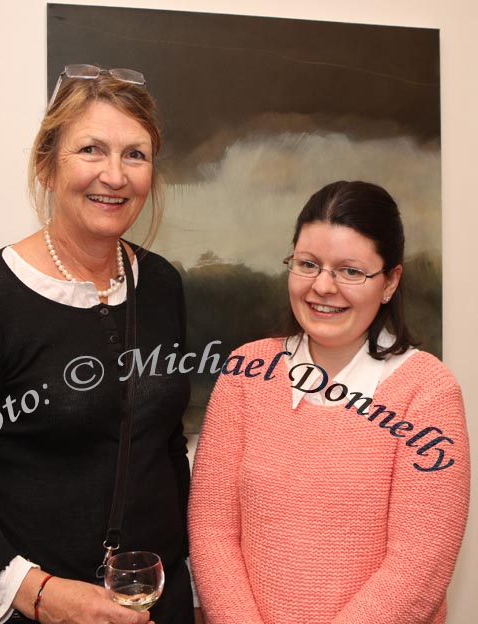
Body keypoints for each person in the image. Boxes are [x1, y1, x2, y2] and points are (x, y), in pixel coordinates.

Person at [0, 64, 195, 624]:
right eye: (91, 150)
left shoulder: (162, 285)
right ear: (45, 166)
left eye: (135, 154)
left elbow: (162, 446)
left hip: (159, 607)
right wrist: (42, 595)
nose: (115, 175)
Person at [188, 180, 470, 624]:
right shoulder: (244, 371)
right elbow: (212, 531)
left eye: (350, 271)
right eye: (308, 264)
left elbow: (419, 567)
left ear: (390, 281)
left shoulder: (428, 392)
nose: (323, 286)